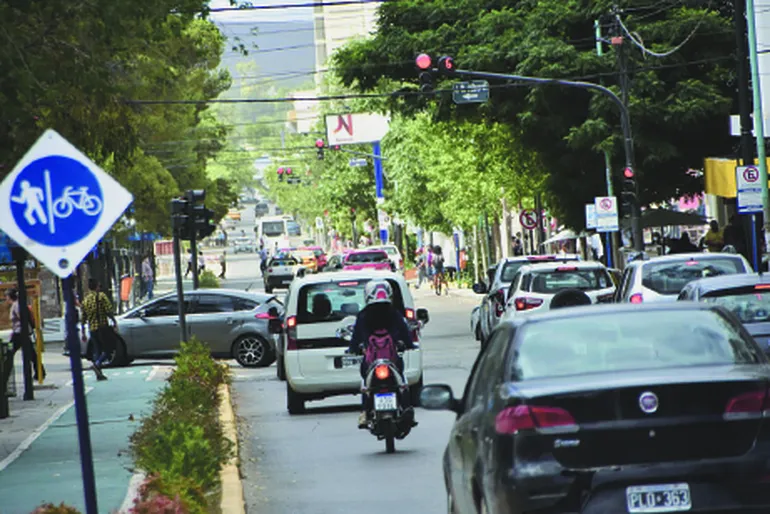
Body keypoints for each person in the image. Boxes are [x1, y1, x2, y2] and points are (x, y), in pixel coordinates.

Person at [348, 280, 417, 429]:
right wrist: (409, 344)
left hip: (371, 361)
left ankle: (365, 413)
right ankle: (406, 407)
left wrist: (353, 349)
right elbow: (405, 334)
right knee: (402, 382)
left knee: (366, 384)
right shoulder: (394, 313)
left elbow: (355, 338)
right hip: (392, 359)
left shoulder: (363, 315)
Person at [4, 288, 45, 381]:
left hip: (19, 333)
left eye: (6, 296)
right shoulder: (17, 304)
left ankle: (5, 375)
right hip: (20, 333)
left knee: (9, 353)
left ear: (10, 297)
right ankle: (40, 372)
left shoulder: (16, 305)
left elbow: (22, 318)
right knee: (31, 354)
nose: (6, 299)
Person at [81, 279, 117, 380]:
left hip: (92, 329)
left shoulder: (85, 300)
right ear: (97, 287)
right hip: (102, 327)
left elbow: (83, 318)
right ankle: (97, 364)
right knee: (109, 349)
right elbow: (108, 310)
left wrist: (83, 332)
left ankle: (99, 373)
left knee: (97, 350)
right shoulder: (101, 296)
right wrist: (114, 321)